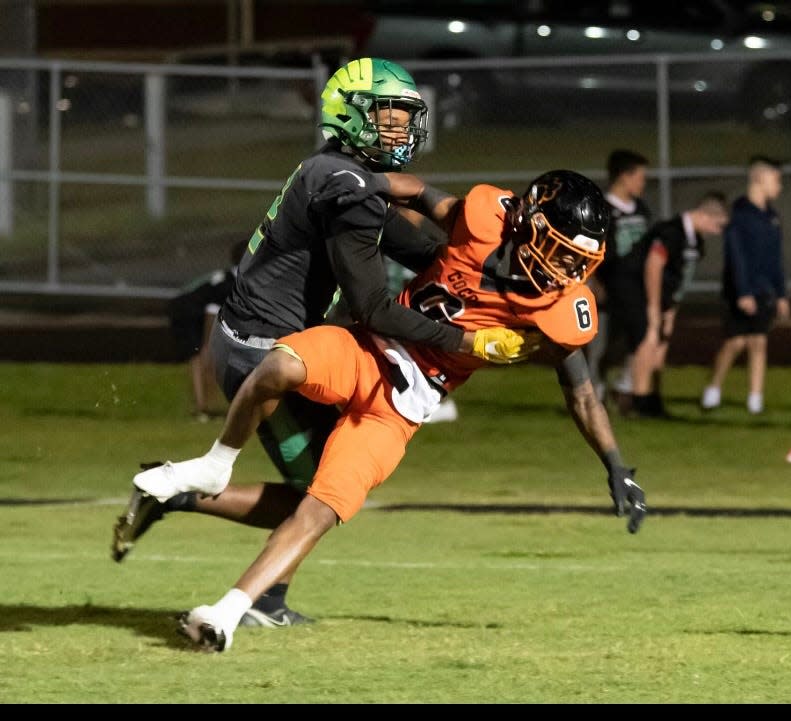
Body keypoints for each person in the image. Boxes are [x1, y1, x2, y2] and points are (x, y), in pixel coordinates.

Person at [134, 168, 647, 652]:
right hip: (367, 349)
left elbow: (581, 392)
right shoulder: (484, 216)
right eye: (560, 254)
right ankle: (215, 463)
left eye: (579, 262)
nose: (567, 272)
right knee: (281, 365)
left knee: (319, 508)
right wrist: (366, 184)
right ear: (528, 223)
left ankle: (225, 613)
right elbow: (420, 191)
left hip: (401, 407)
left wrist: (615, 463)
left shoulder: (560, 310)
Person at [111, 57, 535, 628]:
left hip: (255, 341)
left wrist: (501, 273)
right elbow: (373, 309)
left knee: (316, 491)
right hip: (263, 352)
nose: (402, 128)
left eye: (405, 116)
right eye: (389, 115)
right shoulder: (349, 188)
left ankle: (227, 541)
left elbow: (425, 253)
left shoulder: (341, 176)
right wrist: (465, 341)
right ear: (352, 114)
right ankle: (226, 546)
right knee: (319, 497)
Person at [608, 192, 728, 418]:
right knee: (646, 339)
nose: (718, 232)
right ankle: (638, 402)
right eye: (718, 225)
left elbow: (679, 278)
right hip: (634, 289)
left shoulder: (695, 241)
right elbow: (653, 267)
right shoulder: (671, 232)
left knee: (659, 343)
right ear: (705, 215)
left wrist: (670, 310)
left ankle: (650, 399)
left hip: (659, 296)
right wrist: (653, 309)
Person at [699, 156, 790, 416]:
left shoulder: (772, 216)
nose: (779, 186)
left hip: (764, 290)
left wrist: (781, 293)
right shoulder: (738, 214)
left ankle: (755, 398)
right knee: (736, 342)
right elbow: (735, 256)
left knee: (759, 341)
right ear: (759, 178)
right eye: (776, 179)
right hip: (740, 291)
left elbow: (776, 258)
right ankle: (713, 388)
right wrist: (743, 292)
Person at [586, 149, 653, 411]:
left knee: (635, 341)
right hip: (607, 289)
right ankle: (593, 395)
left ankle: (625, 388)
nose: (643, 183)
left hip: (635, 290)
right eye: (640, 177)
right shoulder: (601, 210)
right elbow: (589, 249)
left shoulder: (641, 210)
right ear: (624, 177)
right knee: (600, 345)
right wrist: (592, 282)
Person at [167, 239, 248, 421]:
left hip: (192, 309)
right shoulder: (229, 285)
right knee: (200, 355)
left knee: (207, 355)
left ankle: (206, 406)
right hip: (186, 311)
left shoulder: (233, 279)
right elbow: (211, 312)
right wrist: (207, 343)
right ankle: (202, 408)